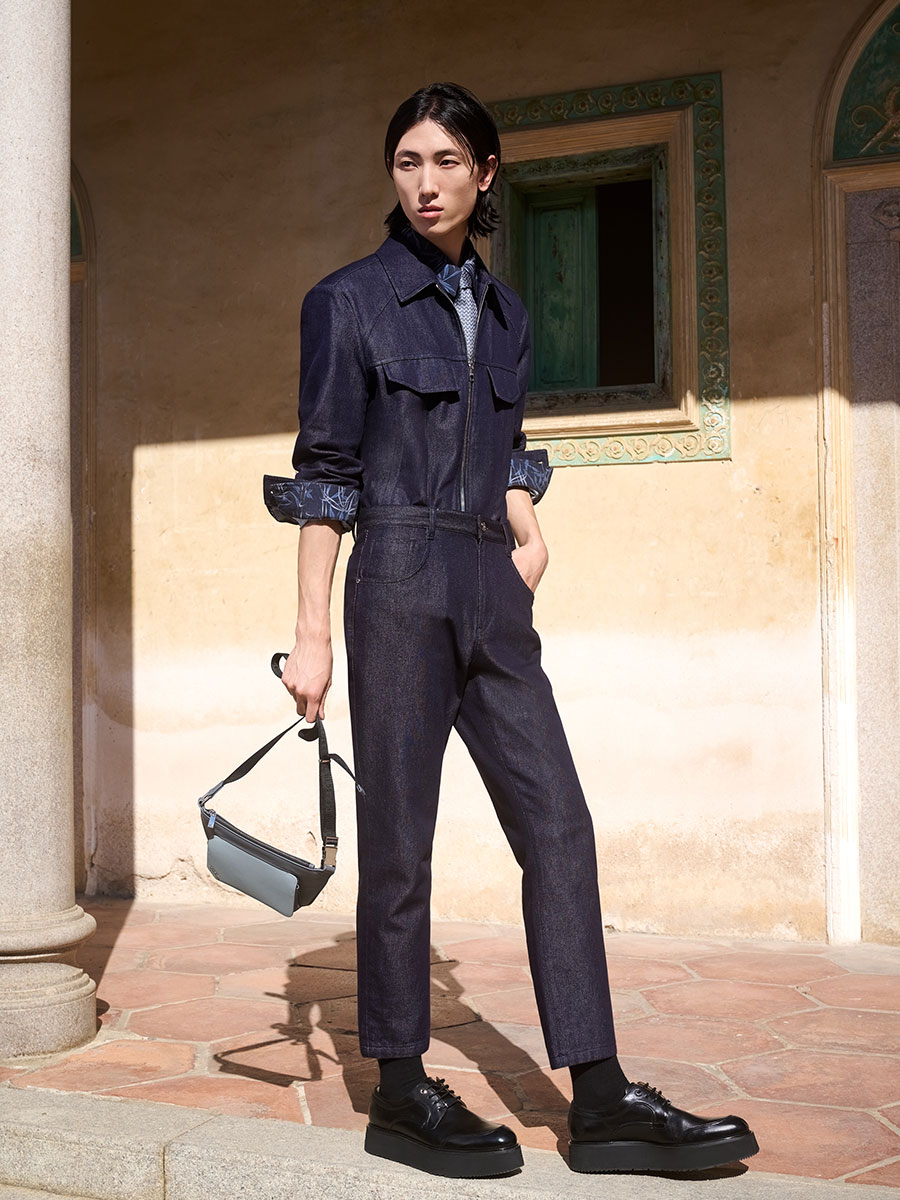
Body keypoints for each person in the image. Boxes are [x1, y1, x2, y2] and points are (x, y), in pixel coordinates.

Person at [264, 81, 758, 1179]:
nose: (426, 183)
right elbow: (326, 476)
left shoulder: (510, 313)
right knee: (401, 844)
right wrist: (313, 634)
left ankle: (603, 1099)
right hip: (397, 577)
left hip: (494, 584)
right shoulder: (346, 303)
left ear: (486, 173)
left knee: (560, 827)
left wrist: (527, 532)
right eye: (407, 162)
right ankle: (401, 1089)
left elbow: (506, 443)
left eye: (447, 161)